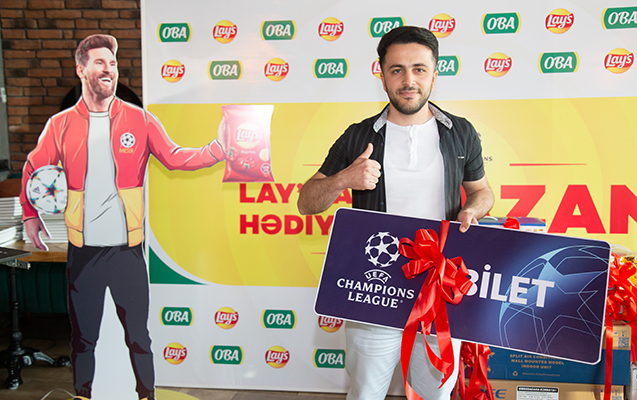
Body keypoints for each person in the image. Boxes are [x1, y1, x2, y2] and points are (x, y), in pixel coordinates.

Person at [19, 34, 226, 400]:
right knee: (83, 338)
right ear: (81, 69)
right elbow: (33, 167)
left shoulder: (139, 119)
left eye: (113, 63)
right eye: (100, 62)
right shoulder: (60, 124)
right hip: (83, 252)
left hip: (126, 252)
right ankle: (83, 395)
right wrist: (29, 214)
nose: (109, 69)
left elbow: (175, 157)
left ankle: (147, 395)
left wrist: (217, 148)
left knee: (139, 336)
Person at [297, 26, 494, 400]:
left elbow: (482, 192)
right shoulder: (358, 136)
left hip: (439, 286)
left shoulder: (461, 132)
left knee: (434, 392)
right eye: (397, 70)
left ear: (434, 74)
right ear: (382, 74)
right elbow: (307, 202)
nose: (409, 81)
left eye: (419, 69)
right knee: (366, 392)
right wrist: (344, 179)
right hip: (374, 285)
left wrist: (472, 210)